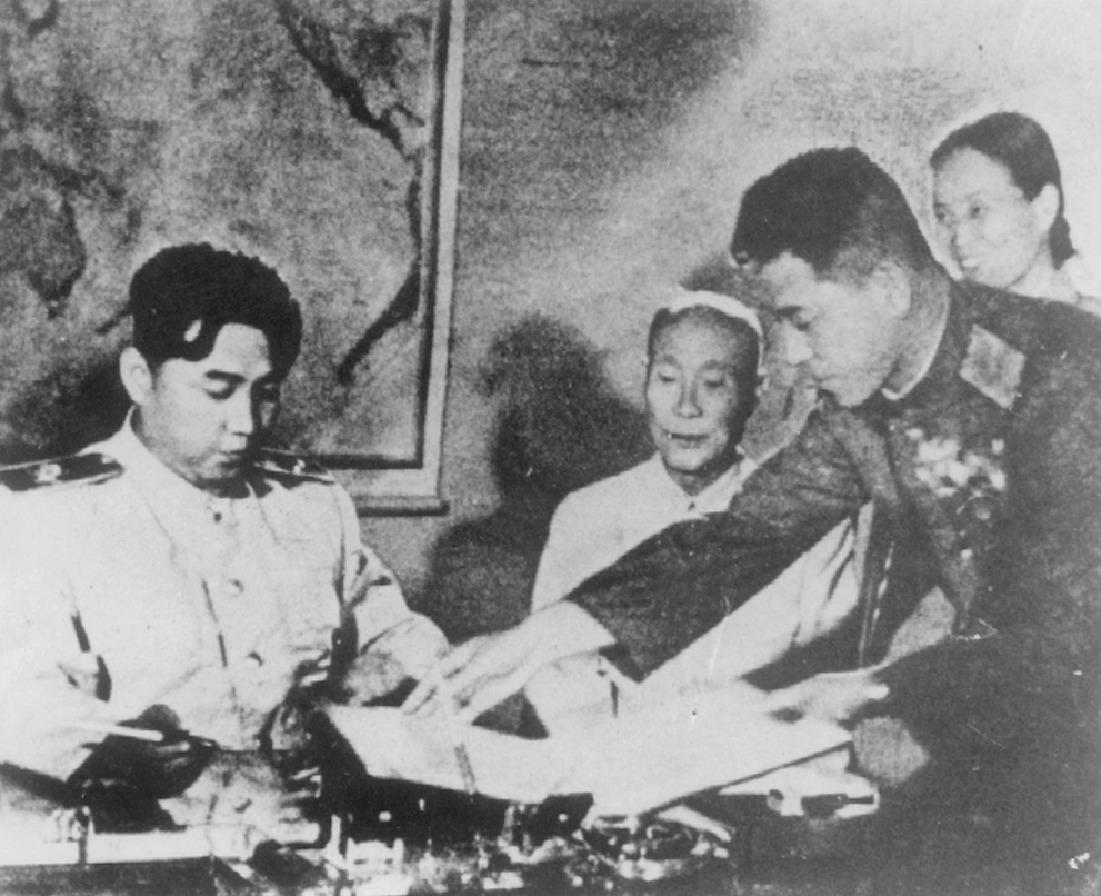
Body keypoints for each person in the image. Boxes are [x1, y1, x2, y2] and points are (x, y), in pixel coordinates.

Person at [406, 148, 1101, 889]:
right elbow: (739, 536)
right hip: (998, 734)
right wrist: (543, 635)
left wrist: (879, 687)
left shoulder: (1069, 376)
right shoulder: (858, 406)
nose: (793, 356)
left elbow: (1065, 629)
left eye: (803, 320)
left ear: (890, 287)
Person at [0, 243, 446, 827]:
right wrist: (197, 770)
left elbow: (408, 640)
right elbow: (14, 703)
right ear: (139, 377)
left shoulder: (311, 506)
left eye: (266, 393)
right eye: (217, 390)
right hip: (136, 841)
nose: (246, 424)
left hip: (306, 834)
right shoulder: (40, 516)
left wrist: (340, 697)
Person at [526, 284, 859, 732]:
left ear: (755, 391)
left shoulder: (813, 522)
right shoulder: (586, 514)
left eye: (714, 384)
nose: (686, 407)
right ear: (645, 379)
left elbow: (825, 682)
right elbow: (554, 677)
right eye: (667, 379)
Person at [931, 110, 1101, 310]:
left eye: (977, 211)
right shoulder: (956, 322)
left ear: (1044, 208)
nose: (960, 239)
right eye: (944, 216)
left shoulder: (1089, 324)